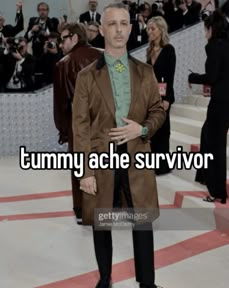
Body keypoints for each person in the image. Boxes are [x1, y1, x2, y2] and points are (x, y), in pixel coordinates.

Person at [72, 3, 166, 288]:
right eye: (112, 24)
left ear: (130, 27)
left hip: (137, 156)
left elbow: (158, 111)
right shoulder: (87, 76)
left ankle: (147, 282)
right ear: (101, 30)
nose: (118, 29)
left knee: (143, 222)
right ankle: (105, 278)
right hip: (102, 160)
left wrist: (143, 128)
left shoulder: (145, 72)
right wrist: (85, 171)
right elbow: (80, 126)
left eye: (124, 23)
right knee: (103, 223)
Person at [53, 23, 102, 225]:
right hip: (106, 123)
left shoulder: (63, 64)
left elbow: (61, 104)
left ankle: (83, 211)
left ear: (74, 37)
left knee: (80, 166)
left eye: (63, 39)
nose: (60, 44)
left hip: (79, 124)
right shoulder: (105, 55)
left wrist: (64, 131)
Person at [188, 10, 229, 204]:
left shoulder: (214, 47)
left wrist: (193, 77)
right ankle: (204, 176)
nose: (203, 33)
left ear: (211, 29)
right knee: (207, 133)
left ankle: (218, 192)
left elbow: (212, 77)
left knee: (216, 144)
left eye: (205, 29)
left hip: (221, 100)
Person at [147, 16, 176, 175]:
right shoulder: (149, 50)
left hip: (164, 96)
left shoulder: (169, 50)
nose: (149, 32)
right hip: (150, 96)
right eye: (148, 29)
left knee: (163, 130)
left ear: (161, 30)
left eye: (153, 29)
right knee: (152, 129)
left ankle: (162, 165)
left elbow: (170, 76)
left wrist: (167, 99)